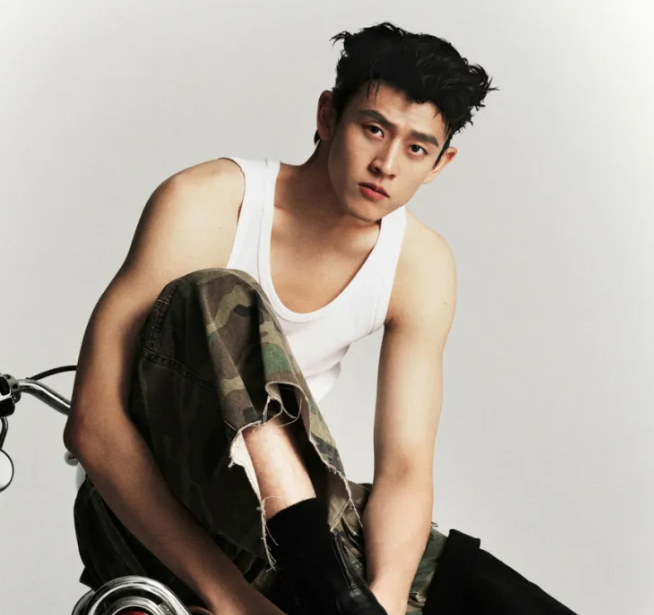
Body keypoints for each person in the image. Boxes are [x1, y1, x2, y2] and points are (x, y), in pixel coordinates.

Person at [63, 21, 576, 615]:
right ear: (329, 116)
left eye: (416, 148)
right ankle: (329, 589)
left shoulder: (419, 264)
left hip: (290, 521)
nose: (387, 164)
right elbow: (93, 428)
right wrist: (235, 604)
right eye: (373, 129)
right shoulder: (209, 202)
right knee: (222, 293)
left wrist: (385, 600)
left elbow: (405, 469)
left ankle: (340, 596)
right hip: (151, 513)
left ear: (440, 163)